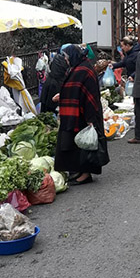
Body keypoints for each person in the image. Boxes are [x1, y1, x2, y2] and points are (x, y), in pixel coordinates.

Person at [54, 45, 108, 185]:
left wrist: (90, 119)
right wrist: (63, 95)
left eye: (67, 57)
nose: (66, 60)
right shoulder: (79, 67)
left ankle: (85, 174)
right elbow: (74, 90)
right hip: (76, 113)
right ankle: (79, 171)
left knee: (84, 146)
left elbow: (89, 95)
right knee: (78, 144)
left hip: (83, 114)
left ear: (73, 56)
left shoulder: (83, 70)